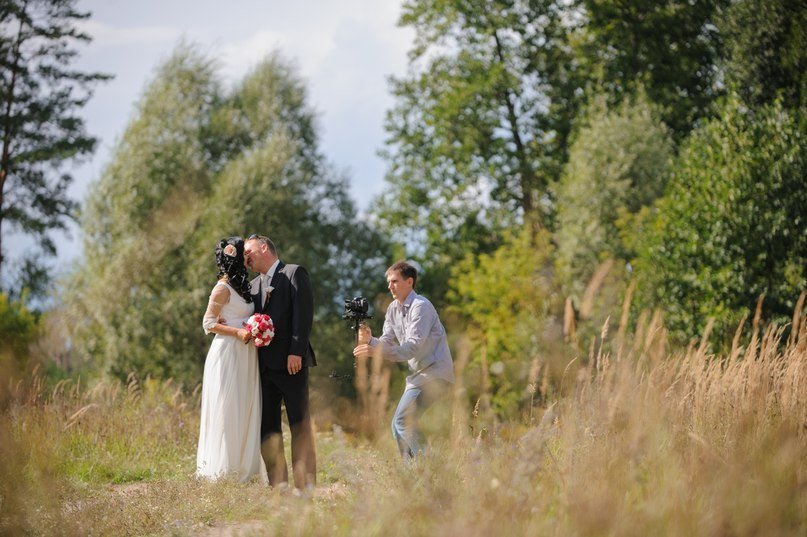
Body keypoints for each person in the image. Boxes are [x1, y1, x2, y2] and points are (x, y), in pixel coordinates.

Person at [353, 261, 454, 461]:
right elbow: (386, 341)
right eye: (388, 282)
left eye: (394, 281)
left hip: (435, 373)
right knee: (397, 426)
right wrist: (370, 340)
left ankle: (432, 465)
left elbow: (412, 348)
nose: (390, 286)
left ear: (409, 282)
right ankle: (412, 475)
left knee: (402, 421)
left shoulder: (421, 307)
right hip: (418, 376)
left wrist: (375, 352)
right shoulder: (393, 309)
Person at [243, 234, 317, 489]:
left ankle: (304, 485)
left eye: (249, 251)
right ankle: (279, 485)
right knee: (268, 428)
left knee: (299, 424)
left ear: (264, 247)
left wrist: (296, 351)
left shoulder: (294, 273)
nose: (246, 257)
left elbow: (303, 314)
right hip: (263, 367)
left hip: (291, 363)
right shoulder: (252, 287)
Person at [196, 237, 268, 484]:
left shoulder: (244, 287)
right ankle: (223, 471)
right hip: (228, 352)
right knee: (228, 407)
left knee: (246, 405)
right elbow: (208, 323)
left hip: (247, 354)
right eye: (243, 254)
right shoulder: (222, 288)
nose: (247, 257)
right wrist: (237, 331)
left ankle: (245, 469)